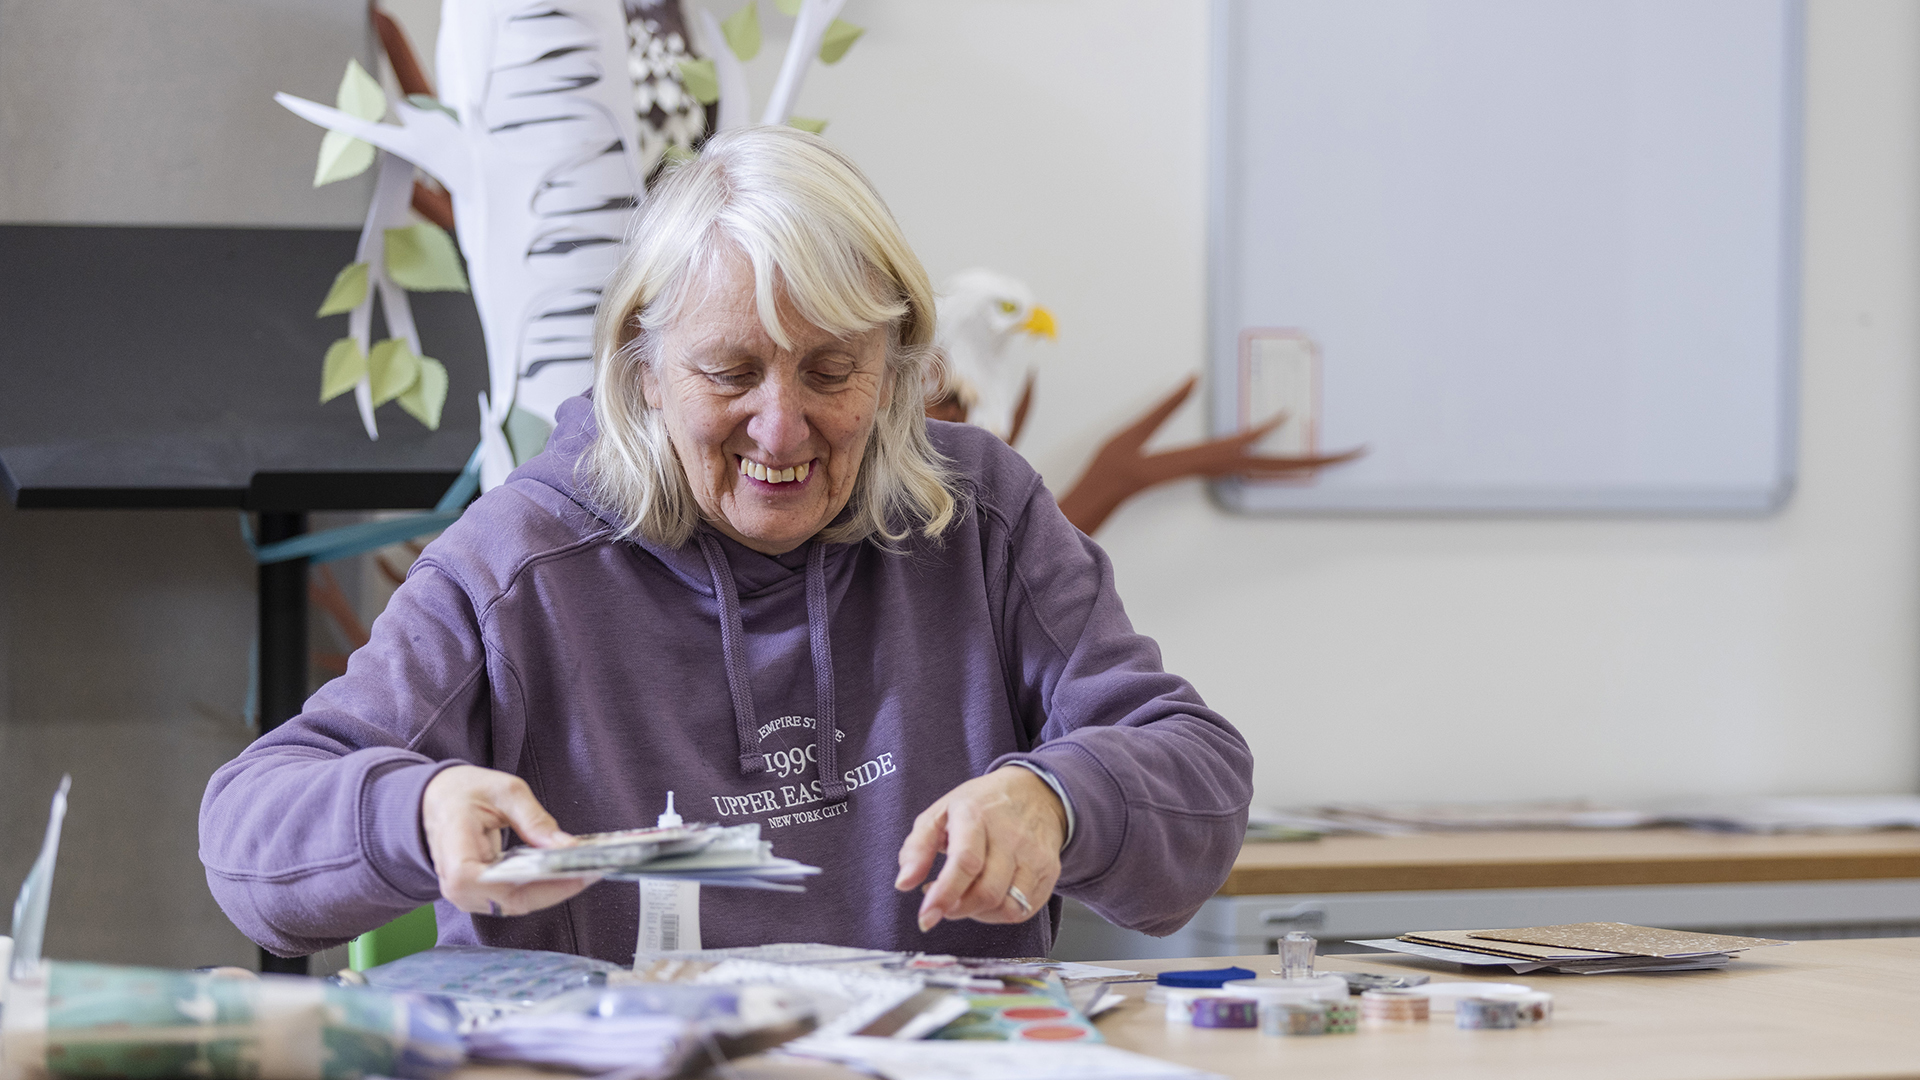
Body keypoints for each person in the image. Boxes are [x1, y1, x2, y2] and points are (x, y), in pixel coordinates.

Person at [199, 126, 1253, 963]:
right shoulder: (522, 561)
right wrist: (413, 807)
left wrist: (1059, 798)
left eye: (831, 371)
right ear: (645, 373)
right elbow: (247, 834)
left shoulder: (977, 515)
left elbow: (1200, 780)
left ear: (893, 369)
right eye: (731, 373)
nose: (782, 428)